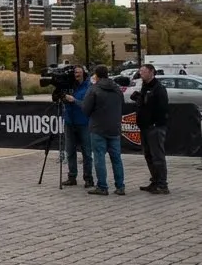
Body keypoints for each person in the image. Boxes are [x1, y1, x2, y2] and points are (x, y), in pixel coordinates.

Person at [80, 65, 125, 195]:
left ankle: (102, 186)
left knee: (99, 157)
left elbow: (85, 109)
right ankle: (120, 186)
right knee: (116, 158)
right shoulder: (117, 89)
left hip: (98, 128)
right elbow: (122, 104)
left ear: (96, 75)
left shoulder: (94, 89)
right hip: (114, 127)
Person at [131, 64, 169, 194]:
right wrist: (139, 98)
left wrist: (155, 122)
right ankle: (155, 181)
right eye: (140, 71)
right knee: (148, 155)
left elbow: (162, 108)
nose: (141, 74)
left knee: (157, 156)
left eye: (144, 71)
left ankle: (162, 184)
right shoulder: (145, 87)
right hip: (144, 126)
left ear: (151, 72)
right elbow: (144, 105)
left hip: (155, 127)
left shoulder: (158, 88)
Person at [60, 66, 94, 187]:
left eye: (79, 72)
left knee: (87, 153)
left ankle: (88, 178)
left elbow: (87, 105)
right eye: (75, 72)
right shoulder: (69, 85)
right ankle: (72, 177)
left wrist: (74, 100)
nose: (76, 74)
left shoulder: (89, 86)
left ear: (84, 73)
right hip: (69, 122)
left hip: (84, 123)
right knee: (70, 151)